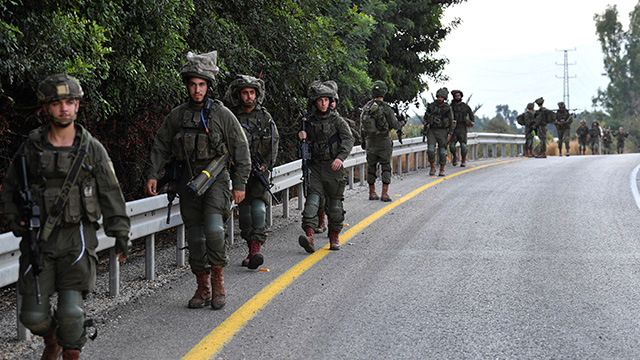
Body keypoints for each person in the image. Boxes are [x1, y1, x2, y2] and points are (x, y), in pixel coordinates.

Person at [1, 74, 131, 360]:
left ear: (77, 106)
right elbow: (10, 189)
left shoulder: (91, 148)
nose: (64, 108)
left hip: (78, 238)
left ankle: (69, 345)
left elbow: (111, 193)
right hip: (39, 241)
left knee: (72, 314)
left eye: (70, 102)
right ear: (45, 108)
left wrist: (120, 234)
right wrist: (15, 220)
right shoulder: (32, 148)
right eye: (57, 103)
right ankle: (52, 339)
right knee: (33, 315)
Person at [145, 52, 251, 310]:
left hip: (215, 179)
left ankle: (218, 282)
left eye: (201, 84)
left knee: (214, 230)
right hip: (188, 182)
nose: (197, 90)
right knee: (195, 238)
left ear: (208, 86)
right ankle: (202, 287)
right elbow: (160, 144)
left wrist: (240, 183)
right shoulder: (178, 115)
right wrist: (152, 173)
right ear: (187, 86)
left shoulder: (221, 114)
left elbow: (240, 148)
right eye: (192, 84)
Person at [223, 74, 279, 270]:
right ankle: (250, 248)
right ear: (239, 95)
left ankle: (256, 250)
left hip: (259, 173)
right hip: (239, 173)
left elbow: (274, 143)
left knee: (258, 210)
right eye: (245, 93)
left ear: (257, 94)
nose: (249, 96)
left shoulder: (265, 117)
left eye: (252, 93)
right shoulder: (231, 117)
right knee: (245, 215)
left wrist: (266, 165)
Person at [297, 80, 354, 252]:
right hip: (315, 168)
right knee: (312, 203)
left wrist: (340, 157)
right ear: (315, 102)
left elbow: (348, 139)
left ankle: (334, 237)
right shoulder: (309, 121)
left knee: (335, 207)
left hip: (333, 168)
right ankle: (310, 236)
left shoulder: (338, 121)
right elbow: (303, 147)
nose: (323, 103)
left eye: (326, 100)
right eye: (320, 100)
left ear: (331, 101)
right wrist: (301, 137)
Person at [360, 80, 402, 202]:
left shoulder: (366, 108)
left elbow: (362, 128)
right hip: (383, 142)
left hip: (370, 142)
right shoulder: (387, 109)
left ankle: (372, 192)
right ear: (384, 92)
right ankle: (384, 193)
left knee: (371, 167)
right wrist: (401, 123)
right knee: (386, 167)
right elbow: (394, 125)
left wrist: (364, 142)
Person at [423, 87, 455, 176]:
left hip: (443, 131)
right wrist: (425, 121)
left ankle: (442, 169)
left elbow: (451, 121)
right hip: (432, 130)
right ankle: (432, 167)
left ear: (444, 98)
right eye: (438, 97)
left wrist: (450, 133)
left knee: (442, 151)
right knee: (430, 150)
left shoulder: (447, 108)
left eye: (441, 97)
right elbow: (426, 117)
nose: (439, 99)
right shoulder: (431, 106)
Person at [448, 89, 475, 167]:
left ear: (461, 96)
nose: (457, 97)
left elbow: (471, 115)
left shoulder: (465, 106)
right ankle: (455, 157)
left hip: (462, 128)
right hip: (453, 128)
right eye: (456, 96)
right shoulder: (451, 107)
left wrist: (471, 123)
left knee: (463, 146)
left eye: (458, 96)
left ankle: (463, 160)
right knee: (452, 146)